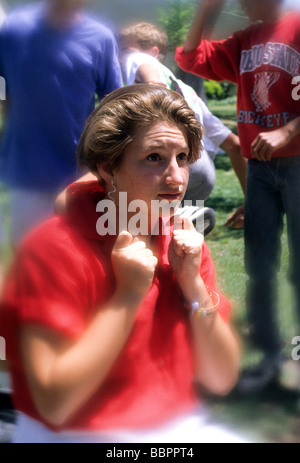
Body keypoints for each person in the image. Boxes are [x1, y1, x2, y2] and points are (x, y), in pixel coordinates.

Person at [0, 85, 245, 443]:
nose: (176, 178)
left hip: (175, 427)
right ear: (108, 167)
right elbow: (54, 404)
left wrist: (193, 284)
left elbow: (221, 377)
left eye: (182, 158)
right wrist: (127, 297)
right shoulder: (54, 250)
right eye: (154, 158)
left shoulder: (182, 242)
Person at [175, 0, 300, 393]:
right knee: (259, 267)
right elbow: (191, 58)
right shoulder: (247, 38)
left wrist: (288, 132)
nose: (238, 5)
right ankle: (269, 358)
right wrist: (206, 11)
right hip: (260, 170)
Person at [0, 0, 123, 246]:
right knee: (32, 258)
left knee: (86, 259)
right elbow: (3, 90)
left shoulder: (100, 37)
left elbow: (115, 104)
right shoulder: (13, 32)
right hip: (29, 173)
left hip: (83, 173)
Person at [118, 21, 247, 229]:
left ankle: (174, 220)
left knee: (135, 228)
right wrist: (250, 203)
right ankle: (183, 219)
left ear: (153, 51)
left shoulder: (138, 58)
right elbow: (235, 145)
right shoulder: (188, 93)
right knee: (176, 245)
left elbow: (155, 83)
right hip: (201, 172)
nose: (119, 55)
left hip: (167, 163)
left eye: (124, 49)